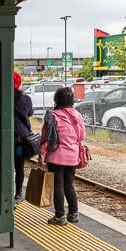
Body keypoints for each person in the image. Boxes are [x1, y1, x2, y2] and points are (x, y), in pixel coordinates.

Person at [39, 87, 85, 226]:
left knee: (58, 185)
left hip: (55, 156)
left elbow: (46, 137)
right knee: (68, 184)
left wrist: (42, 153)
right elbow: (81, 136)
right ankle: (73, 213)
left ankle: (60, 216)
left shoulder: (53, 115)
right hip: (72, 155)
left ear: (57, 99)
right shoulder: (77, 115)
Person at [13, 72, 34, 204]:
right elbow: (30, 113)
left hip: (5, 139)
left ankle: (6, 193)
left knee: (5, 167)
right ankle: (19, 193)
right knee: (19, 166)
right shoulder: (26, 100)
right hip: (21, 139)